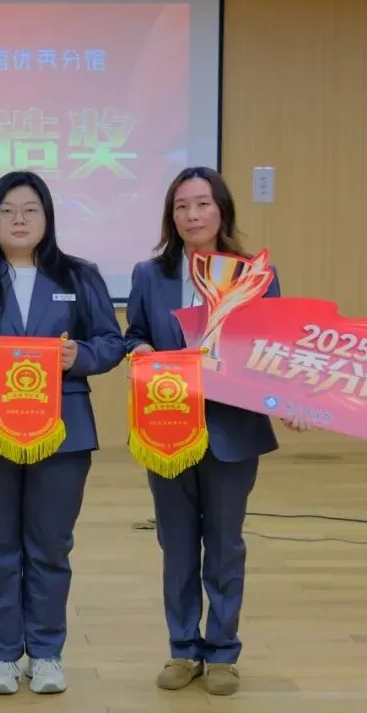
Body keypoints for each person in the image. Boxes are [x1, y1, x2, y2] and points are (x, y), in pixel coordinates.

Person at [0, 170, 125, 695]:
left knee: (50, 546)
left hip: (62, 431)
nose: (19, 219)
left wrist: (80, 355)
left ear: (47, 218)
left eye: (30, 210)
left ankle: (48, 652)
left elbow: (111, 342)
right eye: (7, 210)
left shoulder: (80, 276)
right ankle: (2, 655)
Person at [124, 166, 310, 697]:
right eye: (181, 206)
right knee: (177, 542)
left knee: (225, 544)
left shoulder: (256, 276)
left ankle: (223, 651)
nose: (192, 215)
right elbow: (133, 335)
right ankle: (183, 648)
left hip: (232, 428)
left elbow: (273, 349)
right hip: (166, 425)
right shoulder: (149, 275)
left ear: (221, 209)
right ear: (171, 215)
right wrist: (141, 352)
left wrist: (290, 399)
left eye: (202, 204)